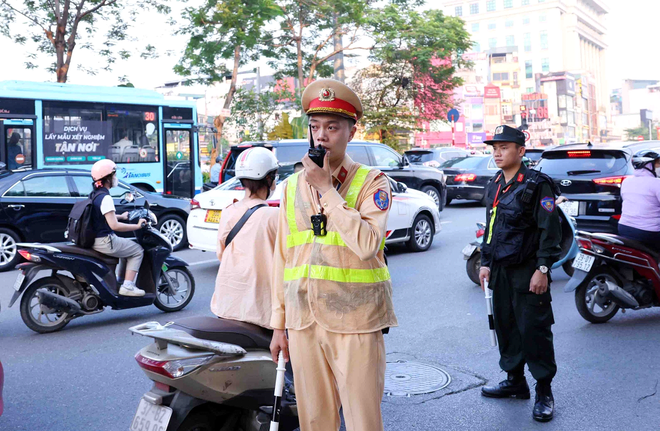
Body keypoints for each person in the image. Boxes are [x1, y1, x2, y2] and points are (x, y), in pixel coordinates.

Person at [269, 79, 397, 431]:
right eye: (314, 127)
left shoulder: (372, 182)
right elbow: (283, 257)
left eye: (332, 127)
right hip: (303, 321)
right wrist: (278, 325)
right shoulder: (292, 185)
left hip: (356, 320)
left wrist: (327, 189)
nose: (321, 136)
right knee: (314, 420)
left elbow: (368, 243)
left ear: (351, 132)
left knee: (362, 420)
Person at [479, 125, 562, 422]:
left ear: (521, 151)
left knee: (535, 330)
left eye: (504, 147)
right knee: (506, 325)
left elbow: (549, 231)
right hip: (500, 268)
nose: (497, 152)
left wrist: (543, 268)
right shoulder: (495, 184)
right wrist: (485, 261)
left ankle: (544, 390)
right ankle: (515, 381)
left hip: (528, 269)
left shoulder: (538, 184)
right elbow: (490, 227)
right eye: (494, 148)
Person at [210, 147, 280, 328]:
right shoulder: (274, 216)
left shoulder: (228, 211)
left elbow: (221, 254)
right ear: (268, 178)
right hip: (260, 311)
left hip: (226, 306)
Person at [90, 159, 147, 297]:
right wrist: (137, 225)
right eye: (114, 175)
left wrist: (121, 216)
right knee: (137, 250)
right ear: (108, 178)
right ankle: (128, 285)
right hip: (104, 241)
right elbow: (114, 226)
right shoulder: (106, 198)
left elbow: (102, 216)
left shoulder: (95, 194)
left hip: (95, 239)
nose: (116, 178)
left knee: (126, 248)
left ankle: (120, 280)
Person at [618, 150, 660, 249]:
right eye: (658, 163)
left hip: (624, 228)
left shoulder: (626, 181)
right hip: (648, 232)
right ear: (648, 165)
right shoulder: (656, 183)